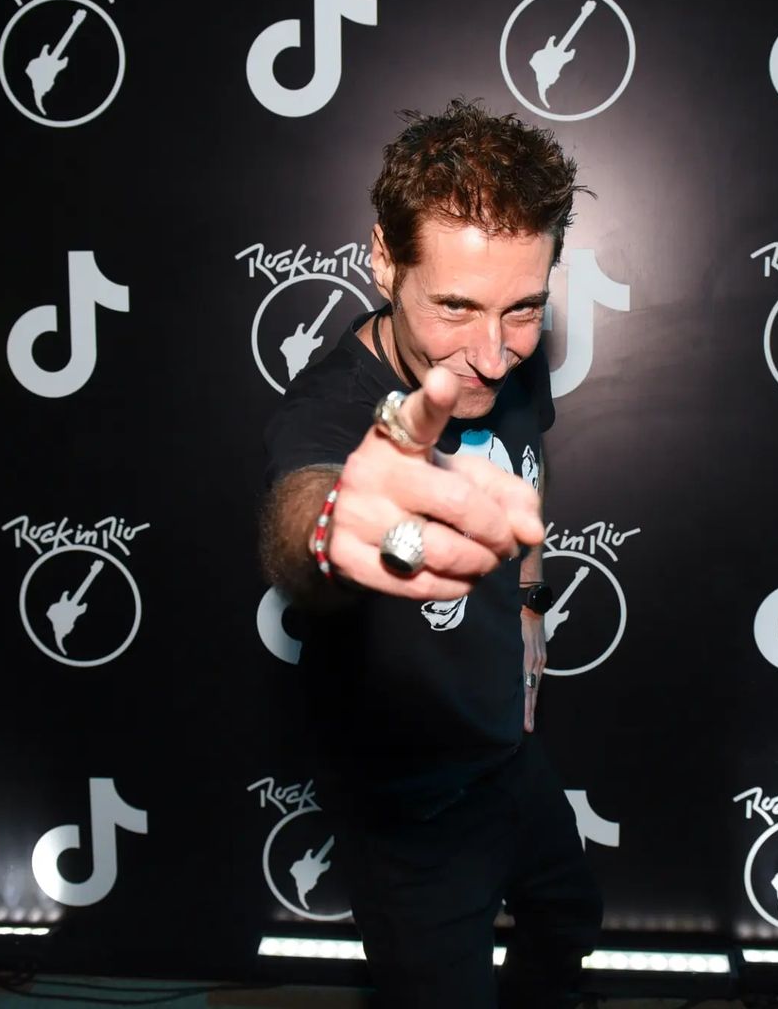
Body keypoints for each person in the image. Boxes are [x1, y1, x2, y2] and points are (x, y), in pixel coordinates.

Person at [260, 99, 602, 1008]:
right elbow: (305, 516)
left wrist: (528, 600)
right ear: (384, 258)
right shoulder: (331, 410)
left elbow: (527, 465)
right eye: (455, 307)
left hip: (506, 748)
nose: (491, 354)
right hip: (407, 804)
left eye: (523, 308)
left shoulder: (508, 358)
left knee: (569, 918)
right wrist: (336, 528)